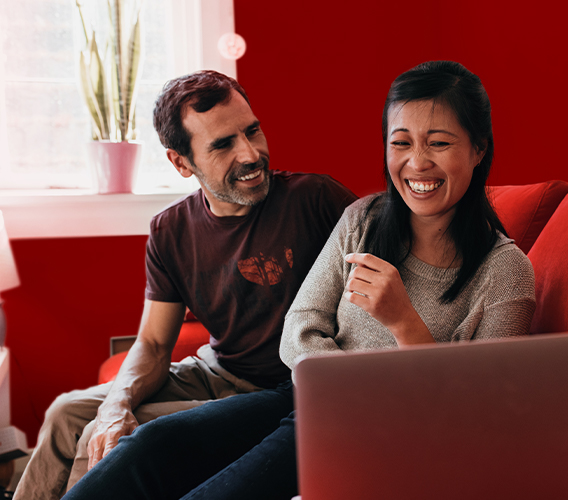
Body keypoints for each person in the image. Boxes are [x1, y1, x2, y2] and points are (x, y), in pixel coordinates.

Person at [62, 60, 536, 500]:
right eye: (400, 142)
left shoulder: (505, 273)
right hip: (309, 398)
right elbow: (301, 325)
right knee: (154, 443)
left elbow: (473, 419)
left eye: (438, 142)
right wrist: (341, 388)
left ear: (478, 149)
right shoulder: (364, 219)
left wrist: (405, 324)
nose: (416, 163)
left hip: (389, 431)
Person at [13, 70, 356, 500]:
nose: (251, 154)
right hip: (215, 371)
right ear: (181, 162)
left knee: (98, 441)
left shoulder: (317, 200)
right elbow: (155, 344)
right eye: (223, 144)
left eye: (252, 131)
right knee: (66, 413)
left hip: (278, 392)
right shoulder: (170, 230)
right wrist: (115, 404)